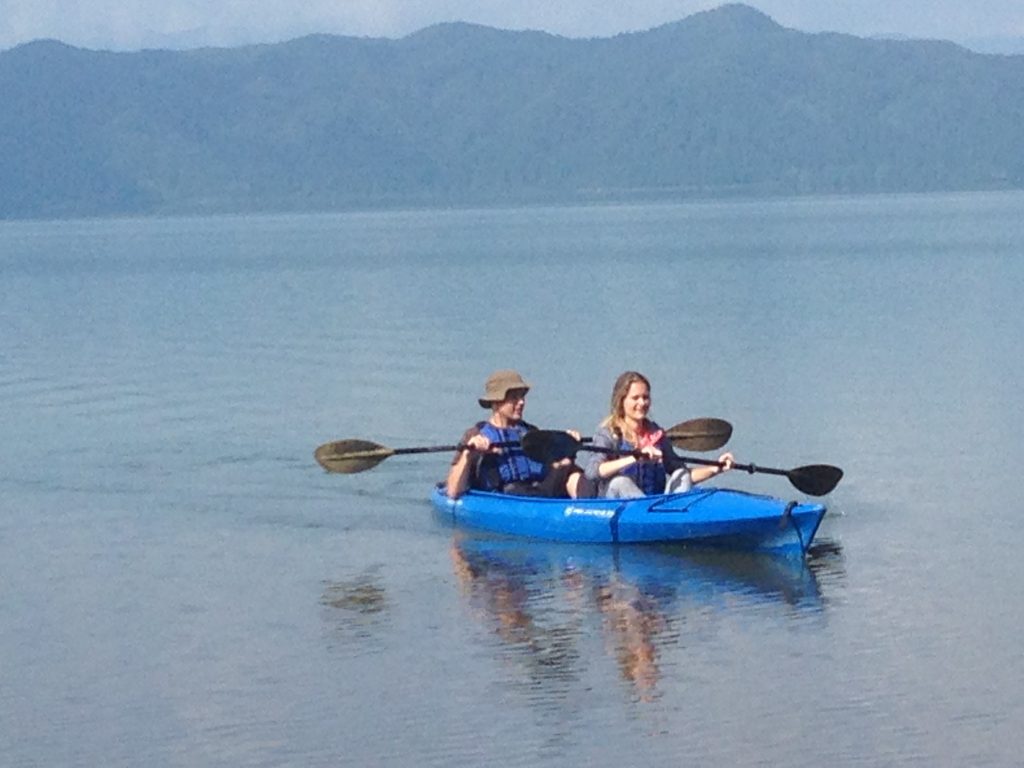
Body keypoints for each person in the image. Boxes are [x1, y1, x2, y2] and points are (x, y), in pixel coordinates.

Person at [584, 370, 734, 498]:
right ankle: (648, 516)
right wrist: (635, 457)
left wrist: (716, 468)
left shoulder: (657, 435)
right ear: (621, 401)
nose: (642, 403)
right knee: (620, 482)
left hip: (655, 506)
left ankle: (668, 515)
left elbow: (684, 473)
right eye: (635, 398)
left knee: (682, 474)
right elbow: (592, 472)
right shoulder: (608, 433)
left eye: (645, 397)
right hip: (616, 505)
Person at [446, 369, 586, 499]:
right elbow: (453, 491)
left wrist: (567, 445)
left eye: (522, 396)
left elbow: (554, 467)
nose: (521, 402)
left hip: (542, 493)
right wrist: (468, 454)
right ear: (496, 402)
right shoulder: (476, 434)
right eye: (514, 397)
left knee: (568, 467)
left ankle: (589, 504)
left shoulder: (531, 433)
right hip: (508, 496)